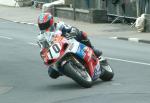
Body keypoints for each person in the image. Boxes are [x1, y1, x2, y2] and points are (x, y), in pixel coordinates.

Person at [37, 12, 102, 79]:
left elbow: (71, 28)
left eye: (45, 24)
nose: (44, 27)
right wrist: (45, 56)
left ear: (51, 21)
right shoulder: (41, 38)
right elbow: (43, 50)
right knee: (51, 74)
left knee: (82, 34)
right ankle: (69, 71)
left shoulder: (59, 25)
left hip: (69, 42)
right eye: (42, 25)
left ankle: (92, 48)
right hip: (57, 53)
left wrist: (73, 32)